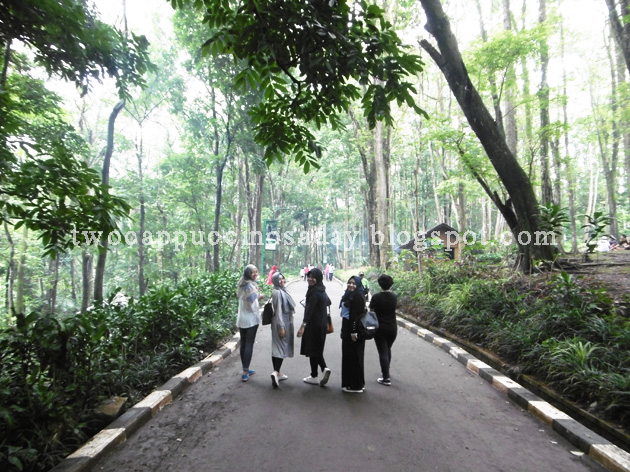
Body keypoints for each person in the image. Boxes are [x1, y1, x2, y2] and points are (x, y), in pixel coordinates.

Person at [297, 267, 331, 387]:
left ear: (318, 278)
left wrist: (303, 326)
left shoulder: (314, 292)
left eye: (313, 277)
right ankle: (315, 375)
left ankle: (323, 368)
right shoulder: (321, 290)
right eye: (309, 277)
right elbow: (328, 302)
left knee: (313, 349)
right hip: (321, 324)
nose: (310, 279)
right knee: (315, 349)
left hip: (313, 325)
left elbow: (309, 311)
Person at [369, 274, 398, 386]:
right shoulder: (394, 297)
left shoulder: (376, 297)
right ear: (391, 284)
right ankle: (387, 372)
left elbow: (371, 311)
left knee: (382, 352)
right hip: (392, 327)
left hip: (380, 328)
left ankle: (386, 377)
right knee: (387, 349)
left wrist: (370, 326)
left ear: (379, 284)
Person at [236, 264, 264, 382]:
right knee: (249, 344)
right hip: (251, 320)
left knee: (243, 343)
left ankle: (245, 368)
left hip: (242, 319)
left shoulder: (241, 283)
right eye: (253, 272)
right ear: (248, 274)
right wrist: (260, 297)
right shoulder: (250, 287)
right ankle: (245, 371)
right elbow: (253, 305)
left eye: (256, 271)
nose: (255, 274)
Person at [340, 276, 367, 393]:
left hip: (353, 331)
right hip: (348, 328)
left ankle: (355, 385)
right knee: (350, 356)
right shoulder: (349, 295)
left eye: (354, 283)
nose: (351, 285)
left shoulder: (357, 296)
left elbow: (356, 316)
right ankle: (356, 383)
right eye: (349, 283)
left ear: (358, 285)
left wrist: (353, 331)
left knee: (353, 357)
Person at [270, 272, 295, 388]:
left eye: (283, 279)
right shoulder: (277, 292)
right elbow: (278, 311)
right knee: (280, 348)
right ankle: (276, 372)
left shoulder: (282, 290)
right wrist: (281, 327)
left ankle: (277, 373)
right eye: (279, 279)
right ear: (275, 281)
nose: (282, 281)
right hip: (281, 322)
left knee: (277, 347)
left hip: (284, 321)